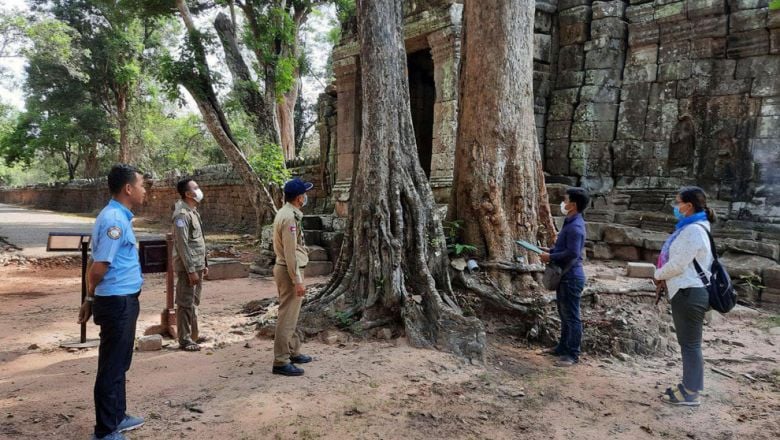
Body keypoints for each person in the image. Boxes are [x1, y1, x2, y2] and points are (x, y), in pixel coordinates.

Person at [78, 164, 146, 440]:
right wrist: (89, 297)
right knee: (112, 366)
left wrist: (89, 296)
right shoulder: (114, 221)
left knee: (120, 362)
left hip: (124, 299)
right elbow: (98, 266)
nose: (145, 191)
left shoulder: (119, 217)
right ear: (128, 189)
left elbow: (97, 262)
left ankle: (117, 416)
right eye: (141, 185)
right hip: (117, 302)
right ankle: (105, 430)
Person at [654, 186, 715, 407]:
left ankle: (690, 392)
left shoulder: (693, 231)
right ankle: (689, 387)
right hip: (688, 291)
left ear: (688, 206)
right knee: (689, 344)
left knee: (690, 345)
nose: (675, 206)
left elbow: (678, 264)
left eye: (678, 202)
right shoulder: (695, 227)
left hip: (689, 292)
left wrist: (658, 273)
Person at [540, 187, 588, 367]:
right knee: (564, 313)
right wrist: (550, 251)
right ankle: (562, 347)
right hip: (565, 276)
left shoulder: (575, 227)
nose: (563, 203)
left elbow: (573, 253)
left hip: (571, 277)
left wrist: (550, 257)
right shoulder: (570, 222)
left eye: (566, 200)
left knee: (572, 316)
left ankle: (572, 354)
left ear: (573, 205)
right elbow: (564, 248)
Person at [271, 177, 313, 376]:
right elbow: (290, 253)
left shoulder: (288, 212)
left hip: (287, 269)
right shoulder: (289, 218)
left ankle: (293, 351)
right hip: (289, 271)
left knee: (292, 314)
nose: (306, 197)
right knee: (287, 316)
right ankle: (280, 361)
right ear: (298, 198)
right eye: (304, 194)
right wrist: (297, 280)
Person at [172, 178, 209, 352]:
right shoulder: (182, 215)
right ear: (188, 194)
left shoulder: (193, 212)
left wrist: (204, 263)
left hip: (197, 264)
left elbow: (199, 241)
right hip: (189, 268)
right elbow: (182, 244)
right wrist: (191, 270)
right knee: (185, 302)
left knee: (194, 301)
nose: (199, 190)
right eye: (196, 188)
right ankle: (185, 339)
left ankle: (193, 334)